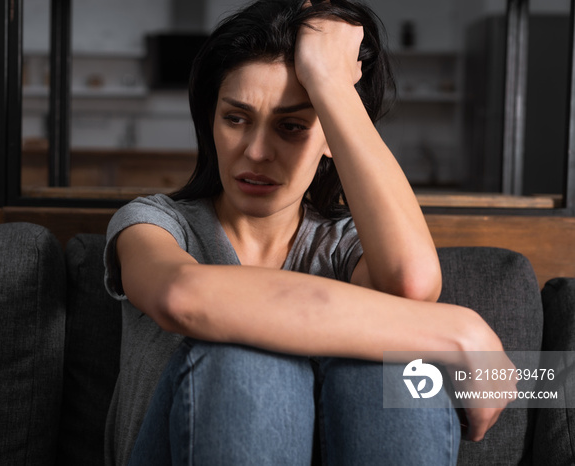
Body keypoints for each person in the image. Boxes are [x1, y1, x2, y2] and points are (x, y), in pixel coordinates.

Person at [103, 1, 516, 464]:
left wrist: (332, 84)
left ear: (330, 139)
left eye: (293, 127)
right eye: (235, 118)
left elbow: (411, 284)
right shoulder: (155, 223)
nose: (256, 152)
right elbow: (182, 295)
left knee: (388, 370)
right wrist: (457, 331)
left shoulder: (343, 245)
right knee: (247, 358)